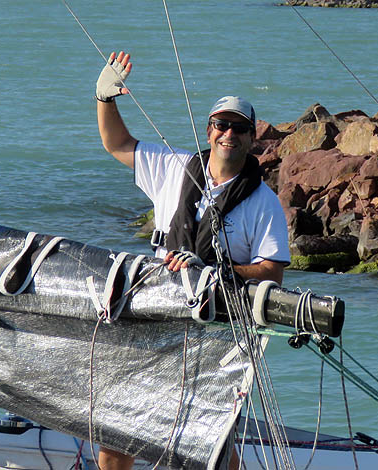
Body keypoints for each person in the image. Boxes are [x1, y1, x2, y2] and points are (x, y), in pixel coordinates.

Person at [94, 50, 290, 470]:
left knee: (209, 442)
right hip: (153, 317)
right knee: (117, 437)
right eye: (222, 125)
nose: (229, 134)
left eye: (239, 128)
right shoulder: (174, 167)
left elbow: (272, 272)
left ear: (252, 138)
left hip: (217, 333)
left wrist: (212, 273)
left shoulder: (264, 203)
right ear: (209, 130)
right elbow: (116, 143)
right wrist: (104, 98)